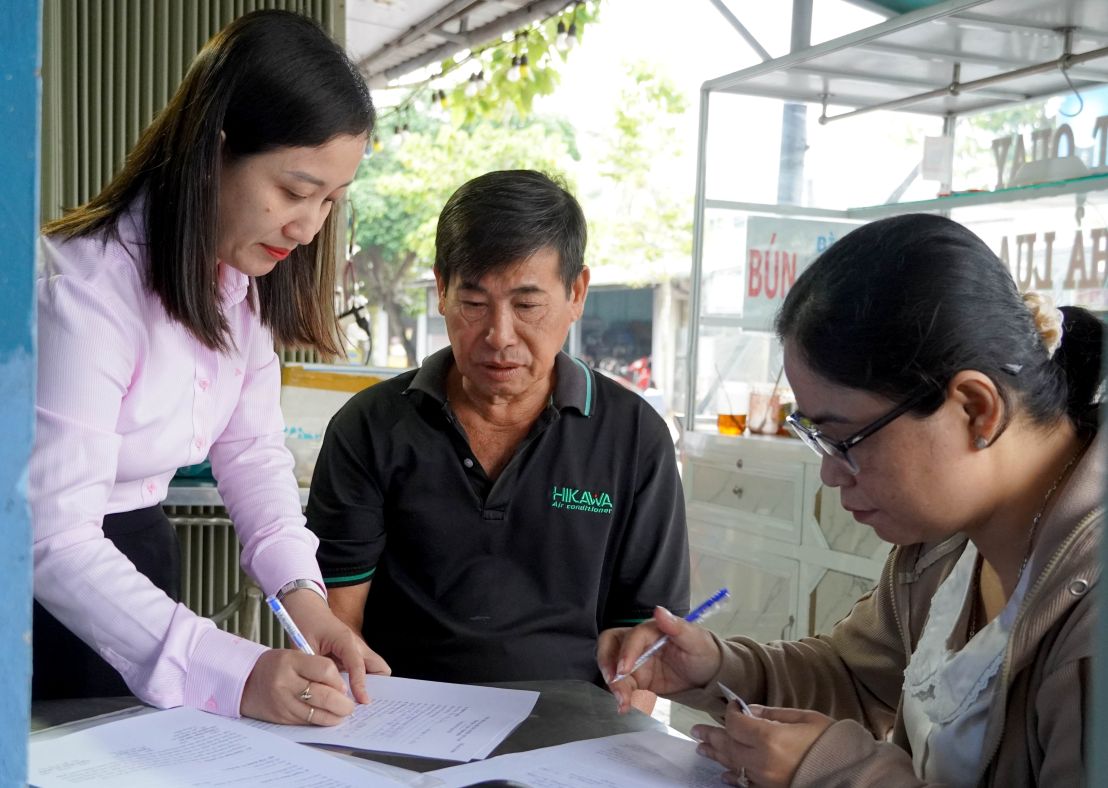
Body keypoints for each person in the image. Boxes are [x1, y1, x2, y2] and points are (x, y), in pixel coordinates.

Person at [600, 213, 1103, 787]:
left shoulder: (1088, 617)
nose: (831, 473)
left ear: (974, 408)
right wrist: (716, 667)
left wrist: (840, 773)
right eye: (816, 436)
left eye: (847, 439)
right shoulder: (946, 546)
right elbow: (856, 677)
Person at [32, 10, 390, 725]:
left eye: (330, 200)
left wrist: (306, 601)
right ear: (213, 148)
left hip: (135, 553)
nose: (309, 225)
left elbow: (253, 454)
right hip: (45, 590)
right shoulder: (79, 288)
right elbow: (52, 535)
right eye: (293, 190)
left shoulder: (236, 283)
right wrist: (238, 669)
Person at [307, 169, 690, 686]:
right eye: (473, 303)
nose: (498, 335)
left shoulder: (634, 435)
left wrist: (611, 749)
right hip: (404, 716)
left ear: (577, 293)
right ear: (441, 290)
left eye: (527, 305)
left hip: (572, 730)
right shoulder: (370, 426)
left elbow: (643, 638)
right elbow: (337, 619)